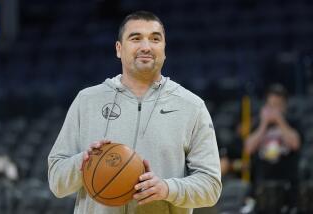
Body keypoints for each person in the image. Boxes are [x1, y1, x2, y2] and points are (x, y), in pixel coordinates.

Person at [48, 11, 222, 214]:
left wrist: (167, 189)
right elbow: (56, 182)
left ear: (164, 50)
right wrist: (84, 162)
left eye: (155, 39)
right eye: (136, 38)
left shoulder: (192, 106)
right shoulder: (87, 101)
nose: (146, 47)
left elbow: (211, 187)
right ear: (119, 49)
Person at [245, 84, 301, 211]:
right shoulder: (258, 124)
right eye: (271, 106)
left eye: (278, 105)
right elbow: (248, 148)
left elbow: (295, 144)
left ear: (285, 106)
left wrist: (280, 121)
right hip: (262, 186)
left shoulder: (292, 122)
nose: (274, 110)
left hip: (287, 185)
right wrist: (264, 124)